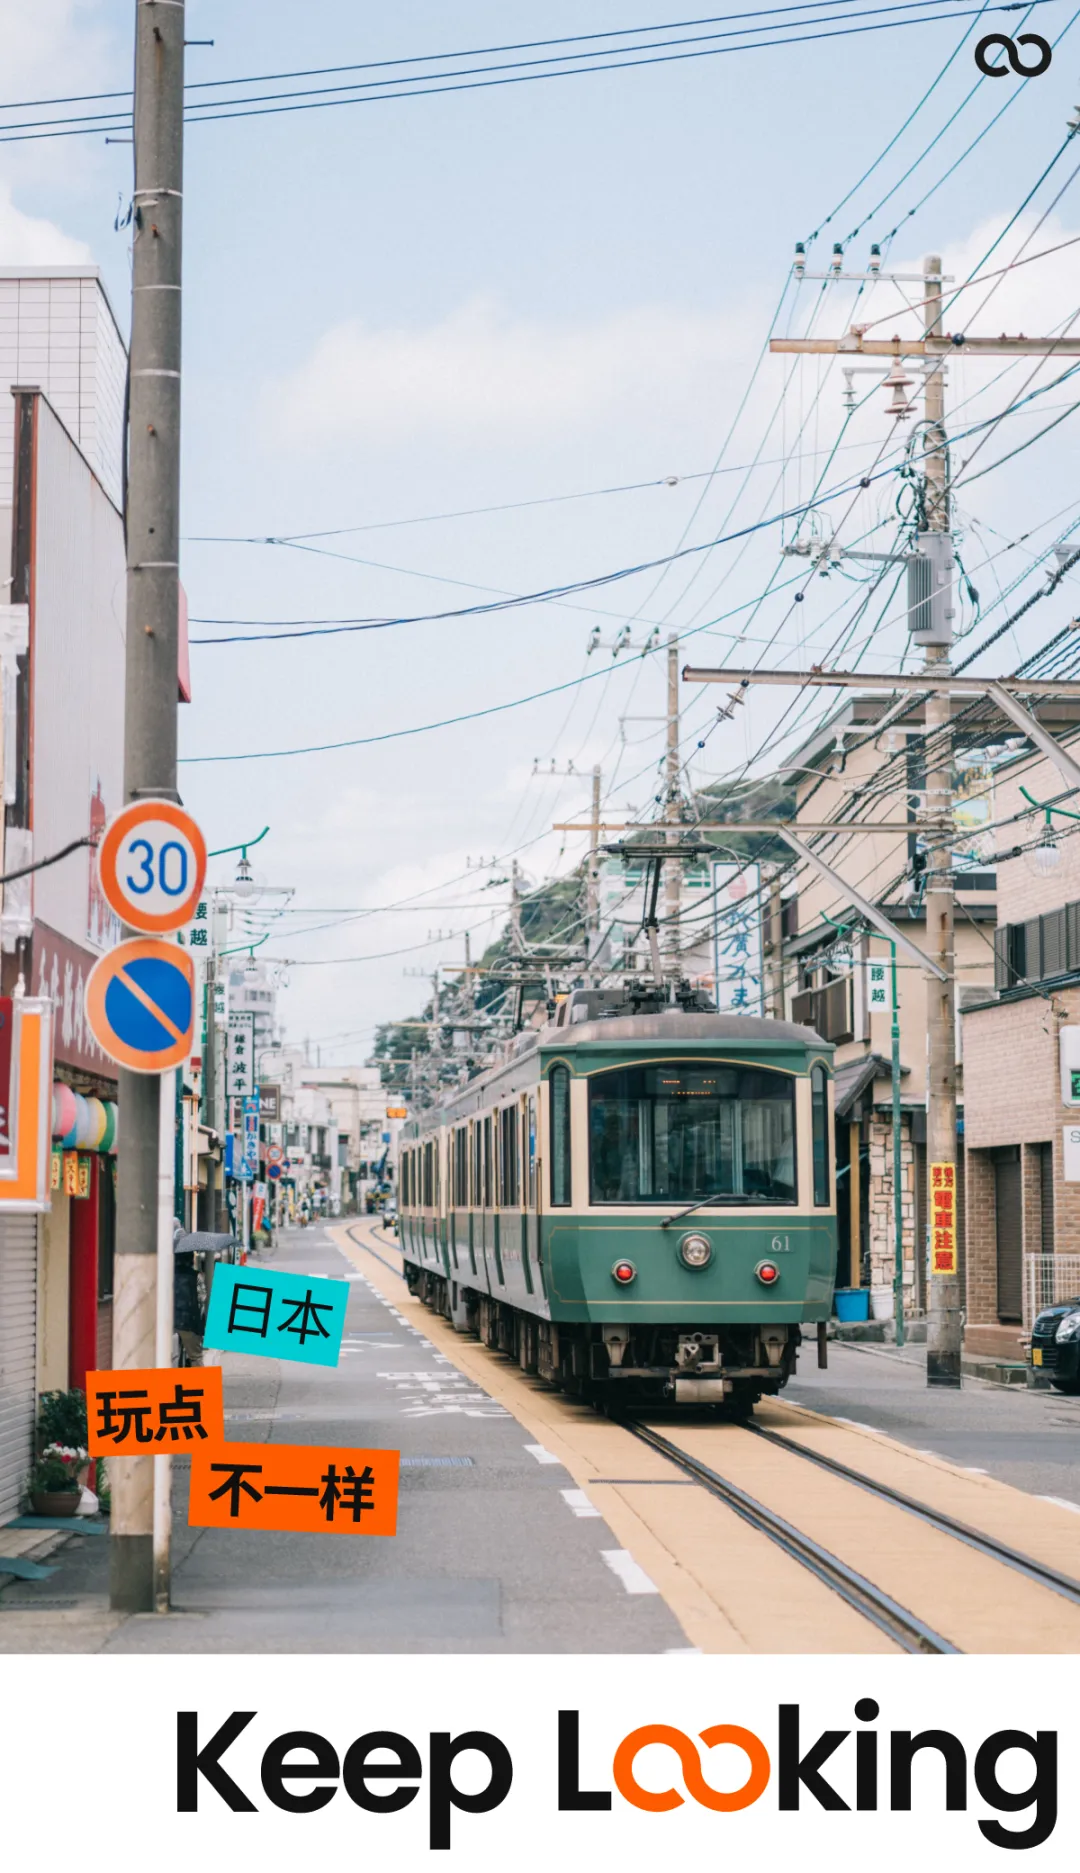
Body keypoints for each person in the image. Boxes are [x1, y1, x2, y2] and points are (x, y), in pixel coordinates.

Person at [173, 1219, 204, 1366]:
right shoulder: (196, 1276)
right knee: (196, 1357)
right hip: (189, 1322)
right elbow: (201, 1300)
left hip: (170, 1321)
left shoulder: (167, 1275)